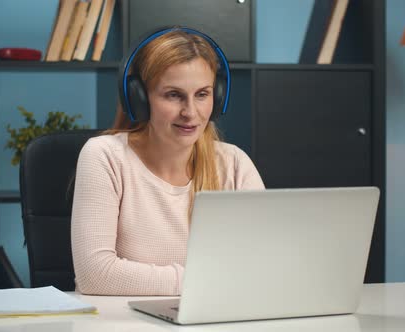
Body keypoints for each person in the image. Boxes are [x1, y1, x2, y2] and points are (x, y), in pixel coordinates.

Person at [71, 27, 265, 296]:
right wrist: (206, 280)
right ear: (139, 98)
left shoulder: (234, 164)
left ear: (218, 96)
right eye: (173, 95)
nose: (190, 112)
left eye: (202, 94)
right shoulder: (105, 156)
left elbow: (264, 266)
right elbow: (95, 275)